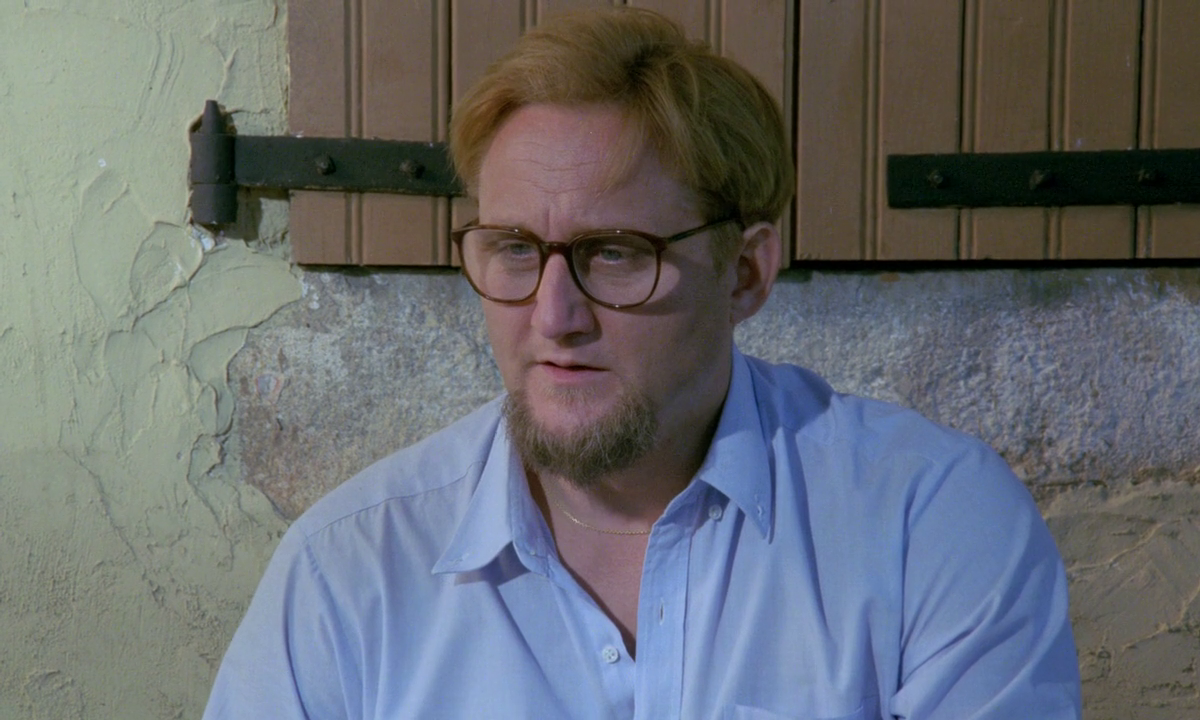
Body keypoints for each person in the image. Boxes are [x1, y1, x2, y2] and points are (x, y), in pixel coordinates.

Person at [203, 7, 1081, 719]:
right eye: (514, 249)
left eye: (616, 253)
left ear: (745, 274)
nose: (554, 317)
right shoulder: (349, 573)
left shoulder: (929, 526)